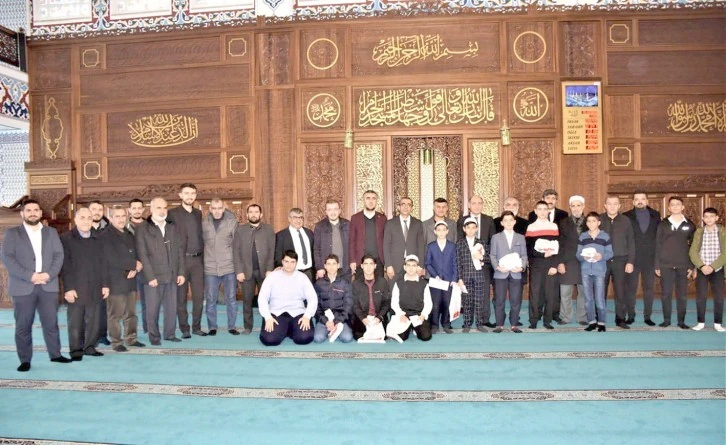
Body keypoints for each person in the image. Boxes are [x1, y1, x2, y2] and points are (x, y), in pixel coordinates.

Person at [1, 199, 71, 371]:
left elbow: (59, 255)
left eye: (36, 210)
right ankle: (25, 360)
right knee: (23, 326)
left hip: (48, 285)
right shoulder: (12, 233)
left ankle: (55, 354)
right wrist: (30, 276)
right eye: (29, 210)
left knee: (51, 323)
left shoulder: (51, 232)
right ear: (22, 214)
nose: (32, 213)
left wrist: (48, 274)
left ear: (40, 213)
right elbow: (8, 258)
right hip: (23, 286)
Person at [136, 197, 186, 345]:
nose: (162, 211)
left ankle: (170, 334)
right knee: (152, 309)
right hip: (153, 277)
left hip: (171, 275)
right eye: (158, 208)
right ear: (151, 209)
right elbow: (142, 254)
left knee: (171, 308)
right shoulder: (142, 228)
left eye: (164, 208)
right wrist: (150, 276)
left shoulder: (172, 227)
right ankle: (154, 337)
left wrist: (181, 272)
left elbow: (179, 251)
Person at [61, 208, 109, 360]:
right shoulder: (66, 238)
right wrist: (68, 288)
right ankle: (76, 349)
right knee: (76, 320)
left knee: (94, 319)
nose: (86, 221)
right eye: (82, 218)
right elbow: (65, 265)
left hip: (96, 285)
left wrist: (105, 284)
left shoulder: (99, 237)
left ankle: (90, 347)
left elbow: (104, 263)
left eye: (89, 218)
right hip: (76, 286)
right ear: (75, 220)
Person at [100, 206, 145, 352]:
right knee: (115, 314)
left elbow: (136, 253)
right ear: (111, 218)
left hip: (130, 279)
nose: (121, 219)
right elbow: (111, 258)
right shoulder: (105, 235)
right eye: (117, 216)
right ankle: (116, 342)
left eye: (123, 216)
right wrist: (133, 265)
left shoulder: (129, 234)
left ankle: (131, 339)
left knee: (131, 313)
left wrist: (135, 268)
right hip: (115, 281)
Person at [167, 183, 206, 338]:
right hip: (181, 262)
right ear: (180, 195)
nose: (190, 196)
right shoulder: (172, 214)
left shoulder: (198, 213)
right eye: (187, 193)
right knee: (180, 298)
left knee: (198, 297)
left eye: (192, 193)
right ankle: (185, 329)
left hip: (198, 262)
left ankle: (196, 327)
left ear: (196, 195)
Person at [258, 250, 318, 346]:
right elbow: (262, 297)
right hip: (276, 313)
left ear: (296, 263)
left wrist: (307, 316)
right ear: (282, 261)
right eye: (286, 261)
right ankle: (284, 329)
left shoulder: (302, 277)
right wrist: (267, 317)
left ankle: (288, 329)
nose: (289, 265)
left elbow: (312, 298)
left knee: (304, 338)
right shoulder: (272, 276)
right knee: (269, 340)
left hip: (297, 313)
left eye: (292, 262)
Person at [655, 196, 697, 329]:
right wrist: (657, 264)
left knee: (682, 295)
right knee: (666, 294)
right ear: (668, 208)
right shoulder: (663, 224)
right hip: (665, 264)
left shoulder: (690, 225)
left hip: (683, 265)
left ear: (682, 207)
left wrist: (691, 266)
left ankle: (681, 321)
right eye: (672, 205)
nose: (675, 207)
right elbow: (657, 245)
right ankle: (666, 320)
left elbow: (694, 247)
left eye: (678, 204)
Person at [234, 204, 275, 334]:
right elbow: (236, 252)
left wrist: (270, 269)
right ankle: (248, 327)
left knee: (266, 300)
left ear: (261, 214)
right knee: (247, 300)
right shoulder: (240, 230)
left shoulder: (268, 229)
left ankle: (266, 325)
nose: (253, 214)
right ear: (247, 215)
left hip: (264, 272)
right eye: (251, 212)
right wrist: (239, 271)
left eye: (256, 212)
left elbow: (272, 250)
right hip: (246, 272)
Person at [457, 195, 496, 328]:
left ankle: (484, 319)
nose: (477, 205)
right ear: (469, 205)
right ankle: (468, 320)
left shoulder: (489, 220)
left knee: (483, 293)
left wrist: (484, 257)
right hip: (467, 265)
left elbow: (492, 241)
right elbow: (459, 241)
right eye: (474, 203)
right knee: (467, 294)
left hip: (483, 264)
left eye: (480, 203)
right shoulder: (461, 220)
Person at [623, 191, 661, 326]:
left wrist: (658, 261)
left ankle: (647, 317)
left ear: (647, 201)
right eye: (637, 199)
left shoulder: (656, 215)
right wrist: (628, 260)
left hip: (650, 259)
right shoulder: (626, 216)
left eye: (643, 199)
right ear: (633, 202)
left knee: (649, 289)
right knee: (631, 289)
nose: (640, 201)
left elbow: (658, 238)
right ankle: (630, 315)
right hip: (632, 259)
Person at [202, 198, 239, 336]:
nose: (217, 211)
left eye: (219, 208)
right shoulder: (204, 224)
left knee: (231, 299)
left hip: (229, 267)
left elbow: (237, 245)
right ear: (210, 209)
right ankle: (212, 327)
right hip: (210, 268)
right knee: (211, 299)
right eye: (214, 208)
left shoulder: (232, 223)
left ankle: (232, 326)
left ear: (224, 209)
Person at [600, 196, 636, 329]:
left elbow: (631, 242)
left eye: (615, 204)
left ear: (619, 206)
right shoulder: (599, 220)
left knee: (621, 292)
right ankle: (600, 318)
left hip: (621, 261)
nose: (612, 206)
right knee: (600, 291)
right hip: (602, 261)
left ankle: (620, 319)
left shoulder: (626, 221)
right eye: (609, 204)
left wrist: (630, 261)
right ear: (605, 205)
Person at [490, 211, 528, 333]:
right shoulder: (496, 237)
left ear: (514, 222)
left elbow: (524, 255)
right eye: (505, 220)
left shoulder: (520, 237)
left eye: (511, 220)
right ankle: (499, 324)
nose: (508, 222)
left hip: (516, 273)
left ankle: (514, 324)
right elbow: (492, 255)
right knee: (499, 300)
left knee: (515, 300)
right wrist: (497, 267)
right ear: (501, 223)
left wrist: (521, 267)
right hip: (500, 273)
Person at [525, 200, 560, 329]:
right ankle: (533, 320)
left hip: (550, 265)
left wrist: (554, 265)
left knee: (550, 294)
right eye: (539, 209)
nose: (542, 212)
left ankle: (547, 320)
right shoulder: (531, 227)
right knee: (535, 293)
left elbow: (558, 248)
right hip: (536, 265)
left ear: (548, 211)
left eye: (545, 209)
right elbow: (529, 249)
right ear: (535, 211)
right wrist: (542, 255)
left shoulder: (554, 226)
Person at [689, 207, 725, 332]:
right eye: (706, 217)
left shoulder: (723, 232)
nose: (709, 219)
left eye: (712, 216)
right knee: (701, 296)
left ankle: (718, 323)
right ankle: (700, 322)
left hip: (717, 269)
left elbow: (725, 252)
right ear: (703, 219)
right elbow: (693, 252)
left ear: (717, 218)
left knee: (719, 297)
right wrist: (702, 266)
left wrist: (713, 266)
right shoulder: (699, 232)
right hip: (702, 269)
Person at [577, 212, 614, 332]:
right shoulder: (583, 236)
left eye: (594, 221)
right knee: (588, 299)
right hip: (585, 271)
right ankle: (591, 322)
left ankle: (601, 323)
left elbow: (610, 253)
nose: (591, 223)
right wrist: (583, 257)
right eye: (588, 221)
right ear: (586, 223)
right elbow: (578, 254)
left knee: (599, 299)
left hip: (599, 271)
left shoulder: (605, 236)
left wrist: (601, 256)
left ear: (599, 222)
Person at [386, 255, 433, 343]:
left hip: (418, 315)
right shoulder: (398, 283)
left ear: (417, 268)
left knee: (426, 336)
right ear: (405, 267)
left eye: (414, 265)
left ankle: (414, 328)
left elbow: (428, 303)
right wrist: (401, 314)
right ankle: (409, 327)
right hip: (404, 315)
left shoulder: (424, 283)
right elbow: (394, 302)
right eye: (408, 265)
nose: (411, 268)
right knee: (402, 337)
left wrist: (423, 315)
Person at [456, 217, 490, 332]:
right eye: (468, 228)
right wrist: (459, 278)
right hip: (465, 277)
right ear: (464, 229)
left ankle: (479, 324)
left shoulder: (482, 242)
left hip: (479, 276)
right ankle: (467, 324)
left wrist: (482, 257)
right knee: (467, 301)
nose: (471, 230)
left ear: (477, 229)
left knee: (479, 301)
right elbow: (458, 262)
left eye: (473, 228)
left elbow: (489, 258)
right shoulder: (460, 243)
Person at [557, 195, 587, 325]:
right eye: (573, 206)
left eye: (578, 205)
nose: (576, 208)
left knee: (584, 292)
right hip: (567, 262)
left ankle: (582, 317)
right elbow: (559, 244)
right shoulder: (563, 222)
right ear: (570, 207)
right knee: (565, 292)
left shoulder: (590, 221)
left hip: (586, 262)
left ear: (583, 206)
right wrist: (560, 262)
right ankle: (565, 317)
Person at [424, 221, 458, 334]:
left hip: (448, 280)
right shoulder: (431, 246)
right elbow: (428, 263)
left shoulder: (452, 246)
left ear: (447, 231)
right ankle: (434, 325)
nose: (441, 232)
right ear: (435, 231)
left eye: (444, 230)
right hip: (436, 280)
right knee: (435, 303)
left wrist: (454, 279)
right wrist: (435, 275)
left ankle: (446, 324)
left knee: (447, 302)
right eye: (439, 230)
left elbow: (455, 263)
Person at [313, 254, 354, 343]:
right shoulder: (318, 284)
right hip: (324, 319)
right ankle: (329, 329)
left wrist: (337, 321)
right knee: (318, 338)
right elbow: (316, 306)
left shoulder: (345, 283)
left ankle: (336, 330)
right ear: (325, 266)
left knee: (347, 338)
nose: (331, 267)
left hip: (340, 319)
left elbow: (348, 305)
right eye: (329, 264)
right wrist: (326, 321)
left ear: (338, 265)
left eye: (334, 264)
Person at [383, 197, 425, 280]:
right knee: (394, 287)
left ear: (412, 208)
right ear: (399, 207)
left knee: (411, 288)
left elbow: (421, 246)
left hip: (413, 265)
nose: (406, 207)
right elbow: (386, 245)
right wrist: (388, 265)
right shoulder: (390, 223)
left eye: (409, 205)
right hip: (394, 265)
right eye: (403, 204)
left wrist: (420, 266)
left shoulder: (418, 224)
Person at [350, 255, 391, 340]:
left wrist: (379, 317)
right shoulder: (356, 283)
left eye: (371, 264)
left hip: (378, 317)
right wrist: (363, 318)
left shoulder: (382, 282)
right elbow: (355, 304)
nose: (368, 267)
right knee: (358, 336)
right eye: (366, 264)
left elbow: (386, 303)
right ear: (362, 266)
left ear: (375, 266)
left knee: (383, 337)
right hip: (363, 317)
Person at [349, 190, 386, 277]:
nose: (371, 201)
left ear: (377, 201)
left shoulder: (382, 218)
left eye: (374, 198)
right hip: (360, 260)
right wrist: (352, 260)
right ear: (363, 200)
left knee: (379, 284)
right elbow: (352, 241)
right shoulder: (355, 218)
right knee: (361, 284)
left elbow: (386, 241)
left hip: (378, 261)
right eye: (368, 198)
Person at [88, 199, 110, 345]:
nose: (97, 212)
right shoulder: (83, 229)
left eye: (100, 210)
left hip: (105, 274)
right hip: (87, 275)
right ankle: (91, 337)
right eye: (94, 209)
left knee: (103, 308)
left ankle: (102, 335)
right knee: (89, 309)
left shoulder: (109, 229)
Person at [126, 198, 149, 334]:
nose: (137, 210)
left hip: (146, 270)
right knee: (129, 304)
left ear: (143, 209)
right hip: (129, 270)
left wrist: (143, 263)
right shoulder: (123, 227)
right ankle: (130, 332)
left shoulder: (149, 225)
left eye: (139, 208)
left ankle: (148, 329)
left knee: (147, 302)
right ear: (129, 210)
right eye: (134, 208)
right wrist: (133, 264)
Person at [275, 208, 315, 282]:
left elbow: (314, 252)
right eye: (295, 217)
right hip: (291, 274)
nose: (298, 220)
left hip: (309, 273)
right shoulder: (281, 236)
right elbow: (278, 256)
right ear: (289, 219)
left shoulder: (309, 233)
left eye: (300, 217)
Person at [313, 199, 351, 279]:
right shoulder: (320, 226)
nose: (333, 212)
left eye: (335, 209)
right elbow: (316, 249)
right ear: (326, 212)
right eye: (330, 210)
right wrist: (319, 267)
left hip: (345, 268)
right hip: (327, 270)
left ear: (339, 211)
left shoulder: (348, 224)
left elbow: (353, 245)